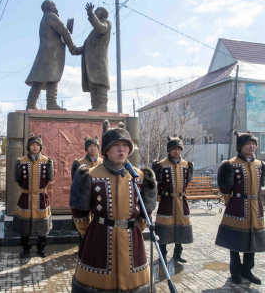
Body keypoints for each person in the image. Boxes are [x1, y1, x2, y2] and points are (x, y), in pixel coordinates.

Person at [70, 120, 157, 292]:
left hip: (132, 240)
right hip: (99, 240)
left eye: (125, 145)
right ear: (106, 150)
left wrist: (136, 228)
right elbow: (79, 210)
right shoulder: (90, 175)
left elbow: (147, 208)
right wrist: (90, 231)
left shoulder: (139, 176)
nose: (121, 149)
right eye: (116, 145)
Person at [215, 131, 265, 285]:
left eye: (253, 144)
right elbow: (225, 189)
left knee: (253, 241)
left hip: (255, 207)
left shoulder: (260, 165)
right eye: (247, 144)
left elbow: (260, 187)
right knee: (236, 241)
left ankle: (247, 270)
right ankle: (235, 271)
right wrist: (231, 203)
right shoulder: (230, 164)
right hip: (237, 207)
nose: (251, 147)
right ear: (240, 147)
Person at [25, 0, 76, 110]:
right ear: (49, 7)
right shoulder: (51, 16)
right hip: (51, 55)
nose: (56, 9)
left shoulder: (45, 19)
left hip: (46, 54)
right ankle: (49, 103)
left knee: (42, 79)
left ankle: (32, 103)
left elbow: (59, 34)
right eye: (54, 6)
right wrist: (72, 48)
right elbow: (63, 31)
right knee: (51, 78)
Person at [151, 135, 194, 264]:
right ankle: (162, 255)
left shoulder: (186, 165)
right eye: (174, 149)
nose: (176, 151)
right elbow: (157, 184)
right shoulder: (161, 165)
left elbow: (186, 183)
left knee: (181, 227)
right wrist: (159, 197)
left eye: (179, 149)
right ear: (169, 150)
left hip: (181, 201)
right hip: (167, 201)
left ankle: (178, 253)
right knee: (164, 229)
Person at [13, 134, 54, 258]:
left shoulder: (47, 161)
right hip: (26, 197)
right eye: (32, 145)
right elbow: (18, 179)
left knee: (42, 225)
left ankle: (41, 248)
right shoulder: (21, 161)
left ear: (40, 147)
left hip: (41, 197)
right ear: (28, 147)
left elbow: (49, 178)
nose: (35, 147)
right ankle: (26, 248)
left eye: (37, 145)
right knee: (24, 225)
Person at [71, 3, 111, 112]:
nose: (95, 12)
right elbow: (82, 49)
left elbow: (101, 28)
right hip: (91, 66)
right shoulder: (92, 33)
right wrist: (71, 46)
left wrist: (90, 15)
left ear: (102, 14)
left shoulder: (106, 23)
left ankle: (102, 106)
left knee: (100, 84)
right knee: (93, 86)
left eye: (97, 11)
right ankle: (95, 106)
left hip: (99, 63)